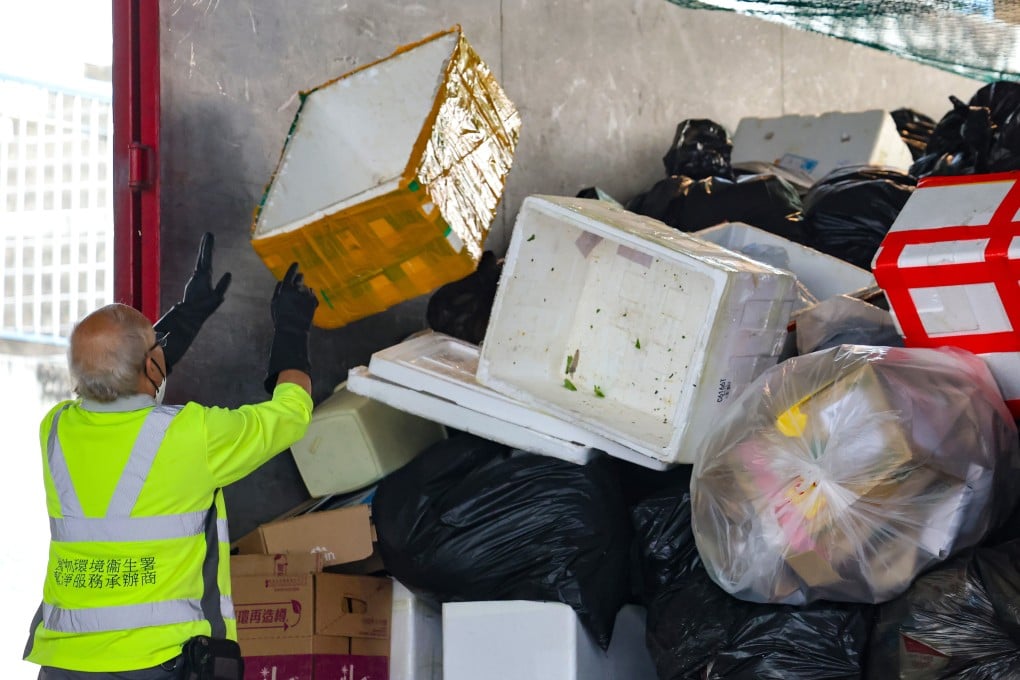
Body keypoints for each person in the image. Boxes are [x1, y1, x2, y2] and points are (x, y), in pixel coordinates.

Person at [22, 232, 319, 679]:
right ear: (150, 363)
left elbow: (121, 375)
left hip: (63, 665)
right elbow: (290, 413)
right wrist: (292, 330)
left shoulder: (56, 432)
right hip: (162, 663)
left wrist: (188, 316)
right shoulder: (193, 434)